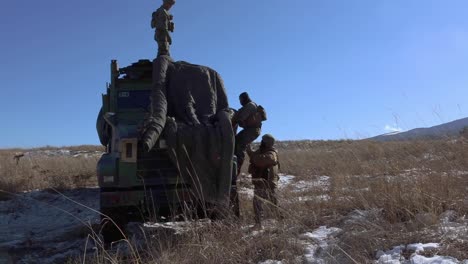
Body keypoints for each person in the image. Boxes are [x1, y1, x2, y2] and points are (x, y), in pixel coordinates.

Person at [247, 134, 280, 226]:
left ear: (265, 143)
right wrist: (249, 150)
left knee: (272, 205)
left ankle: (279, 222)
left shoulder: (271, 154)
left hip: (268, 184)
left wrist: (254, 157)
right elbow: (254, 156)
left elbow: (259, 160)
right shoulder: (262, 151)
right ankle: (259, 224)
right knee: (258, 204)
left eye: (262, 141)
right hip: (261, 184)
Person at [232, 92, 263, 175]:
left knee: (239, 145)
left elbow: (240, 118)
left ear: (244, 99)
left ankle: (236, 168)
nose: (240, 102)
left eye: (240, 100)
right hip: (250, 130)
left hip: (252, 130)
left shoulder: (250, 106)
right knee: (236, 141)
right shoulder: (250, 105)